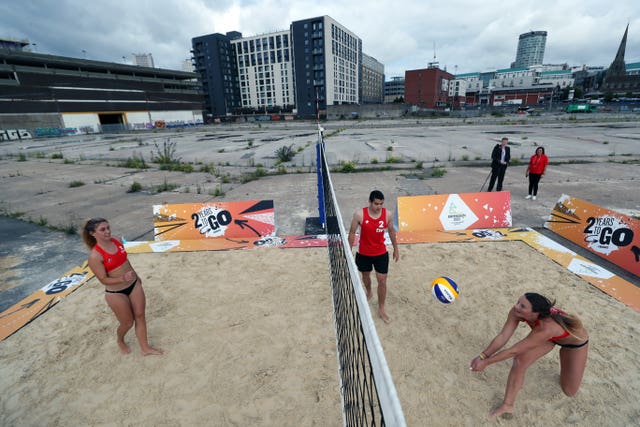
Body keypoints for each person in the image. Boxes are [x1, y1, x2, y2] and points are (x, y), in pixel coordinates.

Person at [470, 293, 589, 419]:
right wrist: (483, 356)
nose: (516, 307)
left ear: (535, 313)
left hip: (574, 344)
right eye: (518, 302)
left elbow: (513, 350)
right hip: (549, 338)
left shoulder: (546, 328)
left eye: (522, 306)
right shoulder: (518, 312)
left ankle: (568, 363)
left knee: (569, 391)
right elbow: (503, 336)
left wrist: (487, 363)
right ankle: (508, 405)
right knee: (520, 361)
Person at [82, 218, 163, 356]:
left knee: (140, 315)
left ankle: (145, 348)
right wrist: (121, 278)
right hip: (116, 292)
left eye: (108, 227)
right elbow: (103, 279)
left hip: (133, 284)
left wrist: (136, 276)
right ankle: (120, 340)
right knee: (127, 323)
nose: (107, 231)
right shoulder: (95, 256)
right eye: (103, 229)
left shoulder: (116, 241)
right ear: (92, 233)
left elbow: (125, 261)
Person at [348, 190, 399, 323]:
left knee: (382, 281)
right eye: (376, 204)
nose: (379, 207)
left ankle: (381, 308)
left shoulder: (387, 214)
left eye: (381, 204)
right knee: (365, 276)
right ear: (370, 201)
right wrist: (348, 251)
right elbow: (352, 233)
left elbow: (392, 232)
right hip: (363, 253)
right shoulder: (359, 214)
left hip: (381, 253)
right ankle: (369, 292)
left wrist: (396, 249)